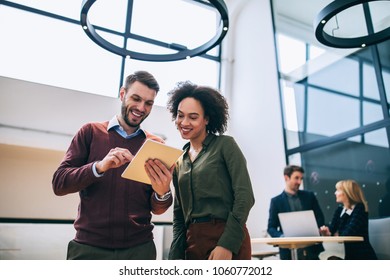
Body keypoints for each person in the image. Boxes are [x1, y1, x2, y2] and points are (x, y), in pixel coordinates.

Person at [52, 71, 173, 260]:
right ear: (123, 94)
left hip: (139, 250)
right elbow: (59, 184)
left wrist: (162, 192)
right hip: (88, 248)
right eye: (136, 98)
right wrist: (98, 167)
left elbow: (158, 208)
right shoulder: (90, 132)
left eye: (148, 103)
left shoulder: (156, 145)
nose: (141, 107)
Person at [166, 81, 255, 260]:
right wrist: (175, 256)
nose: (184, 122)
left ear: (207, 119)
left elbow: (245, 197)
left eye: (193, 117)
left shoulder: (225, 146)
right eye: (180, 115)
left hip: (226, 237)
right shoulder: (179, 161)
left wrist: (227, 244)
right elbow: (179, 215)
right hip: (192, 244)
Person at [267, 165, 325, 260]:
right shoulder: (276, 201)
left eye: (301, 178)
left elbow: (320, 218)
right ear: (286, 177)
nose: (299, 182)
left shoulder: (310, 196)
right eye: (296, 178)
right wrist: (282, 237)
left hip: (311, 248)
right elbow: (271, 227)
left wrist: (316, 230)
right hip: (288, 251)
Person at [319, 180, 378, 260]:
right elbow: (332, 230)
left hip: (361, 255)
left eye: (338, 190)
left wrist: (335, 234)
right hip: (346, 253)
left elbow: (349, 233)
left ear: (347, 193)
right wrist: (327, 233)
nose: (335, 193)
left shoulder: (360, 208)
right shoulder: (339, 210)